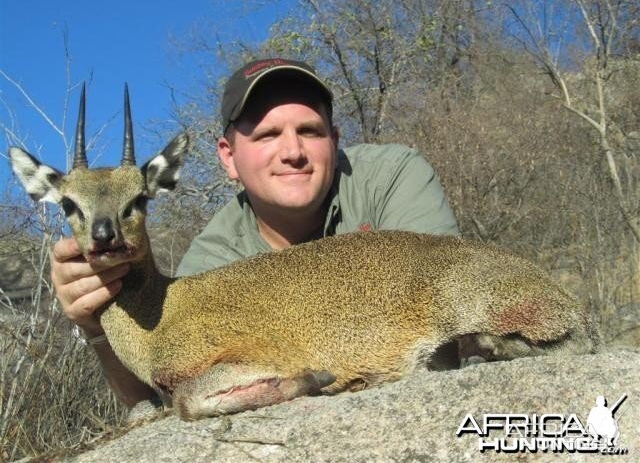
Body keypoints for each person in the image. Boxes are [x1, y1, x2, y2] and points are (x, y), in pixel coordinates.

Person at [50, 58, 459, 407]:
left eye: (310, 131)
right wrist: (96, 328)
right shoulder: (209, 266)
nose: (293, 152)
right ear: (228, 158)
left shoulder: (390, 177)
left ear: (335, 142)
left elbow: (447, 285)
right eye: (266, 135)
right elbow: (161, 393)